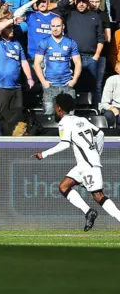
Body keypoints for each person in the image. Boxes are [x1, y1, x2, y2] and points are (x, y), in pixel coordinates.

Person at [32, 93, 120, 231]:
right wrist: (97, 153)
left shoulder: (64, 123)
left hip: (87, 166)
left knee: (98, 196)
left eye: (55, 107)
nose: (55, 109)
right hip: (83, 165)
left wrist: (44, 154)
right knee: (63, 187)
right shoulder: (82, 120)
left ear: (60, 109)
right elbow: (100, 134)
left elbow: (65, 144)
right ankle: (89, 212)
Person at [0, 17, 35, 122]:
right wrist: (11, 20)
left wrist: (29, 78)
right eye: (8, 28)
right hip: (0, 87)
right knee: (1, 118)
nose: (12, 29)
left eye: (12, 27)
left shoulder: (17, 44)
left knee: (17, 119)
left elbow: (23, 61)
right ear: (1, 30)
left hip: (16, 87)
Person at [34, 16, 82, 115]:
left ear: (63, 26)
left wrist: (74, 80)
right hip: (50, 85)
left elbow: (78, 63)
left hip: (67, 85)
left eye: (58, 26)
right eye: (53, 26)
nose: (55, 29)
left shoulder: (70, 42)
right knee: (49, 115)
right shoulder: (44, 42)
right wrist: (43, 82)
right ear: (50, 27)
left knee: (70, 116)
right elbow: (37, 63)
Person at [100, 62, 120, 127]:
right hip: (115, 107)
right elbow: (104, 103)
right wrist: (112, 108)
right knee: (109, 115)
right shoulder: (112, 80)